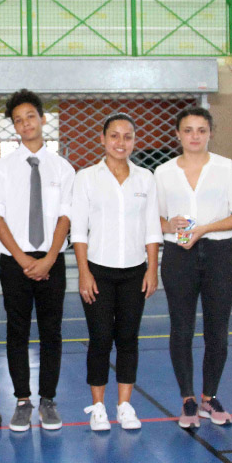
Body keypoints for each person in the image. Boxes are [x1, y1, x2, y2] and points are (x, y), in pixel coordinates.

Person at [155, 106, 232, 429]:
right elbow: (154, 217)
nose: (194, 136)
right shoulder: (163, 172)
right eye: (188, 130)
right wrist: (170, 225)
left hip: (219, 254)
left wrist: (205, 228)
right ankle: (188, 400)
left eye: (201, 130)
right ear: (178, 134)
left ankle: (210, 396)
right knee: (181, 329)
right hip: (178, 256)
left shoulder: (226, 167)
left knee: (217, 331)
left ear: (210, 133)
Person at [0, 89, 75, 432]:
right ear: (14, 126)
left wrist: (50, 257)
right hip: (15, 261)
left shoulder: (62, 168)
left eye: (30, 117)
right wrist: (22, 258)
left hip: (52, 260)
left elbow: (65, 216)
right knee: (17, 331)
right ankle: (22, 400)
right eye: (18, 120)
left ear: (42, 119)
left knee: (52, 332)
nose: (25, 124)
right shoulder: (1, 168)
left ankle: (48, 399)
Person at [71, 114, 162, 432]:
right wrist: (84, 272)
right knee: (99, 339)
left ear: (134, 141)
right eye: (114, 135)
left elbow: (152, 228)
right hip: (97, 271)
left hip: (135, 272)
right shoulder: (86, 177)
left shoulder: (145, 178)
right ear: (102, 139)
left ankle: (124, 406)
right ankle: (98, 407)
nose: (120, 142)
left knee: (128, 339)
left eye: (127, 136)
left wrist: (152, 269)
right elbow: (78, 230)